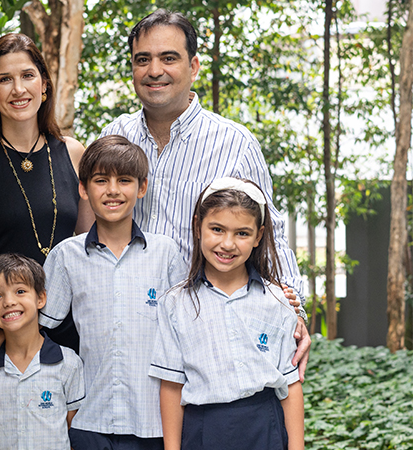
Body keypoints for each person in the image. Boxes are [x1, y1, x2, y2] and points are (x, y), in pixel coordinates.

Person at [98, 9, 311, 374]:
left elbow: (270, 233)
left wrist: (295, 312)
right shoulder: (115, 136)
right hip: (128, 330)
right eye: (142, 60)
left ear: (194, 66)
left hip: (209, 331)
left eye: (169, 58)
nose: (154, 71)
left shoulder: (234, 142)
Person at [0, 33, 93, 450]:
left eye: (28, 75)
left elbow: (86, 252)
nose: (18, 89)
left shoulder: (75, 154)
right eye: (4, 79)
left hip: (55, 334)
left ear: (45, 84)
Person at [40, 135, 186, 450]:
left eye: (124, 180)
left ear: (142, 187)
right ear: (83, 188)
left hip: (153, 423)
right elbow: (37, 331)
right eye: (101, 180)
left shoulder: (166, 254)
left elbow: (186, 335)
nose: (113, 190)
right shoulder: (66, 256)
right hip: (87, 420)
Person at [149, 177, 304, 450]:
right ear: (198, 226)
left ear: (258, 236)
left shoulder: (278, 301)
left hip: (264, 428)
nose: (228, 244)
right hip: (203, 430)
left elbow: (290, 386)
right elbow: (172, 387)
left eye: (242, 233)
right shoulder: (175, 303)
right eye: (217, 229)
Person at [0, 253, 85, 449]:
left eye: (20, 291)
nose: (9, 302)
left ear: (41, 298)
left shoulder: (68, 363)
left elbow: (73, 429)